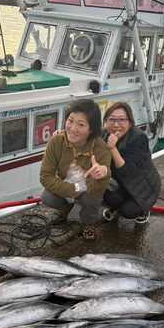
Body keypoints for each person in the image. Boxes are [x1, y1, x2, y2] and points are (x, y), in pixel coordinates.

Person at [40, 99, 111, 242]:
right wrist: (70, 190)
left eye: (81, 125)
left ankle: (88, 222)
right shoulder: (56, 142)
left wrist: (103, 173)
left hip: (90, 186)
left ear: (91, 129)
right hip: (67, 183)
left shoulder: (101, 149)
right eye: (70, 121)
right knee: (46, 196)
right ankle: (65, 207)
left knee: (90, 199)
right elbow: (45, 176)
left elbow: (96, 191)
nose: (72, 128)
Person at [101, 101, 161, 224]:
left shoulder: (139, 138)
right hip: (119, 183)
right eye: (111, 119)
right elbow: (83, 141)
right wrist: (62, 136)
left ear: (129, 122)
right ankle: (115, 206)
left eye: (122, 120)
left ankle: (144, 210)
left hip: (141, 184)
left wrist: (112, 148)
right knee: (109, 198)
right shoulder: (102, 135)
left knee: (128, 211)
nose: (116, 125)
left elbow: (126, 171)